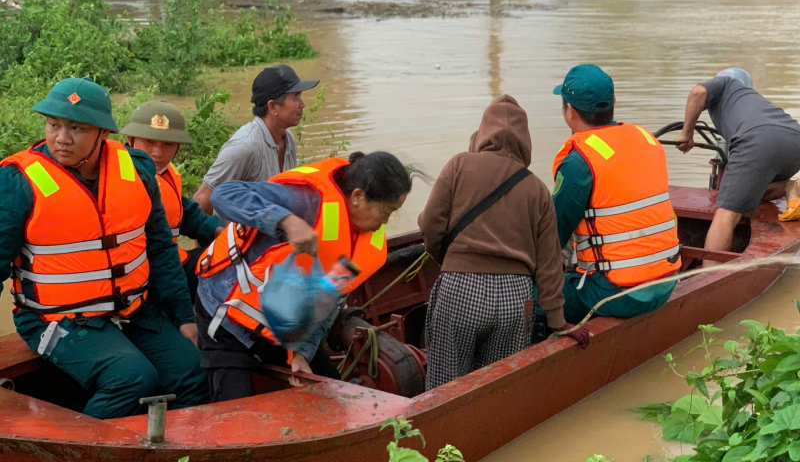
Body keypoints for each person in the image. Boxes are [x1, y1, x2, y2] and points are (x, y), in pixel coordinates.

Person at [0, 78, 209, 419]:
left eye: (76, 128)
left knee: (194, 371)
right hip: (54, 319)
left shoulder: (137, 168)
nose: (61, 138)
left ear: (103, 133)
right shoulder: (17, 181)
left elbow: (159, 249)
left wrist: (185, 317)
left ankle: (175, 453)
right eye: (54, 125)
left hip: (132, 310)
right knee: (132, 378)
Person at [194, 152, 411, 402]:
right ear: (358, 197)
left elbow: (327, 303)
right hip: (228, 318)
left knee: (332, 396)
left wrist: (300, 353)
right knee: (233, 410)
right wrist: (286, 220)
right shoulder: (305, 200)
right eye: (386, 211)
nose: (386, 221)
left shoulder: (364, 246)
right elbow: (225, 194)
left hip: (283, 325)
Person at [418, 94, 589, 391]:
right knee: (498, 389)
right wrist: (558, 320)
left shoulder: (459, 165)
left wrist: (452, 263)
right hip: (514, 298)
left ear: (483, 132)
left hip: (460, 290)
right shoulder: (536, 188)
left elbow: (430, 226)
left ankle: (444, 437)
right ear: (526, 141)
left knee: (443, 390)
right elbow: (549, 263)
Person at [552, 64, 681, 324]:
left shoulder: (578, 162)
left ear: (570, 111)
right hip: (666, 282)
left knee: (533, 298)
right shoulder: (646, 140)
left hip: (617, 292)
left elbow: (553, 235)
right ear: (614, 102)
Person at [675, 68, 800, 254]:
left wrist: (687, 134)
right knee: (752, 191)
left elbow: (698, 92)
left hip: (759, 140)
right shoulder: (751, 100)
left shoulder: (726, 83)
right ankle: (789, 187)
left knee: (726, 214)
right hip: (794, 140)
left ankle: (710, 273)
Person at [122, 100, 223, 301]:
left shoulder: (167, 173)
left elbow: (182, 211)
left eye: (167, 144)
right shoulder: (122, 178)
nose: (157, 153)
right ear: (130, 139)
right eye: (149, 142)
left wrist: (218, 229)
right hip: (147, 274)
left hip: (173, 261)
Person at [193, 64, 319, 215]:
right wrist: (213, 237)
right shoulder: (244, 147)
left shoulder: (288, 139)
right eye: (296, 97)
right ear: (272, 107)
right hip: (242, 237)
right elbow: (202, 199)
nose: (302, 104)